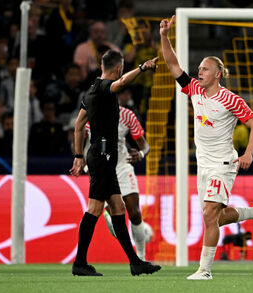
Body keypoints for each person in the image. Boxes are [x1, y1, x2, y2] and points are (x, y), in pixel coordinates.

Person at [160, 16, 253, 280]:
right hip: (203, 164)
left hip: (223, 163)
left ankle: (204, 270)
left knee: (210, 214)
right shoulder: (195, 90)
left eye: (205, 69)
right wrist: (164, 36)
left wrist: (248, 153)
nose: (200, 71)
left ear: (218, 74)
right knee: (217, 217)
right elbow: (173, 64)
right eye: (199, 68)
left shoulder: (230, 99)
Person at [69, 49, 161, 276]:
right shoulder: (104, 88)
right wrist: (142, 68)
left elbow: (79, 125)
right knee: (95, 209)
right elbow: (119, 84)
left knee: (119, 208)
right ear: (118, 68)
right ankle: (80, 263)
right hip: (103, 158)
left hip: (102, 159)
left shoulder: (90, 91)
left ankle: (135, 262)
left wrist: (79, 156)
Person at [83, 103, 151, 261]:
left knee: (134, 213)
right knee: (116, 223)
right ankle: (107, 213)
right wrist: (82, 160)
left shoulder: (126, 115)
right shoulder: (90, 113)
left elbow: (144, 145)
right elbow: (78, 137)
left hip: (122, 166)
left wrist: (140, 154)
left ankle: (141, 257)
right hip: (100, 168)